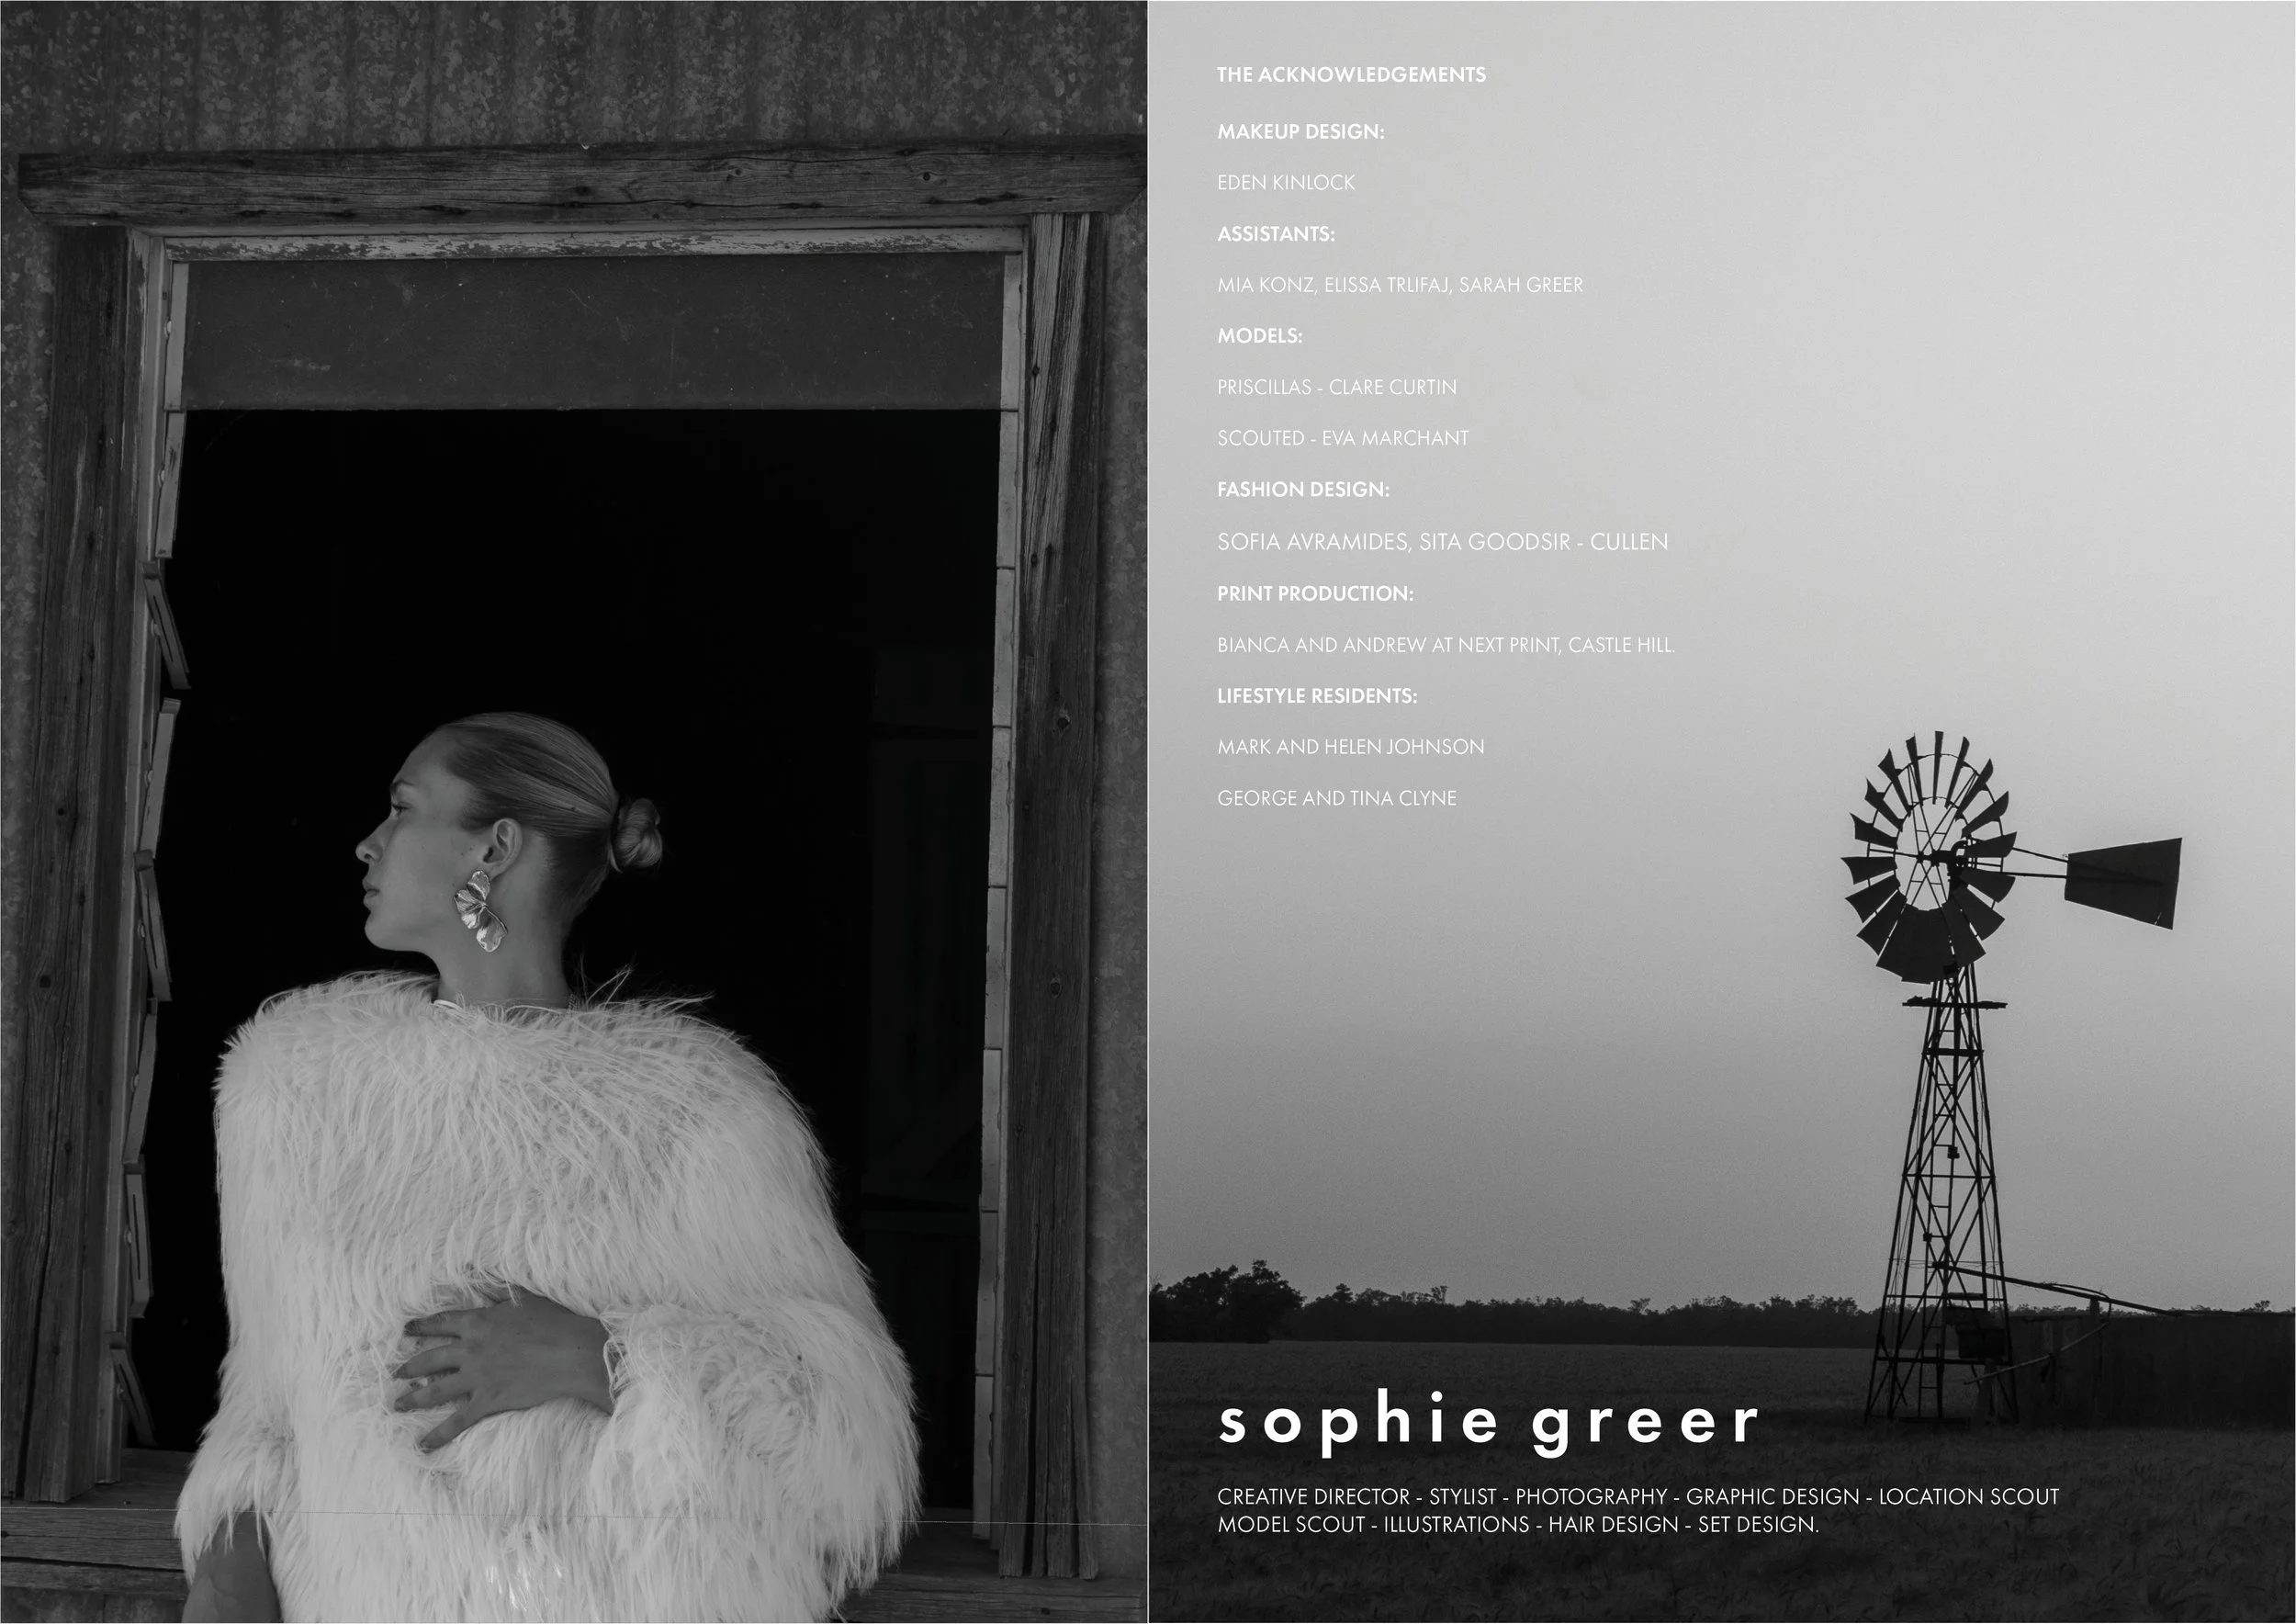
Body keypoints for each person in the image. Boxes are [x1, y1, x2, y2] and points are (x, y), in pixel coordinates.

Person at [175, 712, 917, 1621]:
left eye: (403, 808)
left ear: (494, 847)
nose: (367, 842)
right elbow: (264, 1406)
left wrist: (603, 1360)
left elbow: (845, 1433)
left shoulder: (698, 1107)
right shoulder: (289, 1088)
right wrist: (221, 1580)